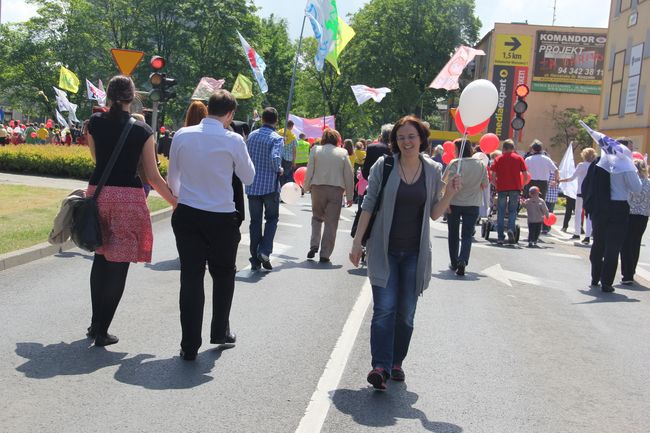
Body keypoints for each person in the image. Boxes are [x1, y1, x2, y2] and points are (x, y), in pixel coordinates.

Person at [349, 115, 461, 390]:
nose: (406, 142)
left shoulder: (433, 170)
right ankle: (380, 366)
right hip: (383, 249)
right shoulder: (384, 165)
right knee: (384, 310)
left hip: (415, 253)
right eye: (400, 137)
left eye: (411, 136)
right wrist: (357, 242)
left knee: (406, 314)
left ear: (422, 139)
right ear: (394, 142)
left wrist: (449, 195)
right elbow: (369, 204)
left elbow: (434, 214)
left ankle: (396, 361)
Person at [85, 75, 177, 347]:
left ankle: (94, 323)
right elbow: (152, 176)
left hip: (98, 195)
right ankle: (103, 330)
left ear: (109, 96)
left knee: (100, 259)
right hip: (127, 199)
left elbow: (96, 160)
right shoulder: (142, 131)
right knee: (119, 265)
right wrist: (175, 202)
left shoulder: (94, 124)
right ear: (133, 96)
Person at [168, 90, 255, 360]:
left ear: (208, 109)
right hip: (221, 217)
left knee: (191, 277)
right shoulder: (232, 140)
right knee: (223, 274)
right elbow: (248, 177)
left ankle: (189, 344)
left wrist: (188, 196)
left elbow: (173, 179)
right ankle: (220, 331)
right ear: (230, 114)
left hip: (189, 213)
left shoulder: (182, 135)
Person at [583, 141, 642, 293]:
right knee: (613, 246)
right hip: (619, 208)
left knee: (598, 243)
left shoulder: (598, 162)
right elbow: (637, 188)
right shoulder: (625, 164)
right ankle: (607, 282)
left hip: (600, 208)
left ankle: (595, 276)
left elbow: (587, 184)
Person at [303, 128, 355, 263]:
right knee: (331, 223)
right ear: (337, 140)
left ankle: (314, 244)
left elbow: (309, 170)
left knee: (316, 218)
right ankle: (325, 253)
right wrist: (350, 196)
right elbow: (348, 175)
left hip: (317, 188)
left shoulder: (315, 150)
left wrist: (306, 186)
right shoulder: (343, 153)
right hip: (336, 190)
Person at [245, 107, 283, 271]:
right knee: (272, 219)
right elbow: (275, 158)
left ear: (262, 119)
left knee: (255, 222)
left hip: (252, 185)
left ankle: (255, 257)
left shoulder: (252, 136)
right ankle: (265, 251)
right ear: (276, 121)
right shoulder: (276, 138)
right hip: (269, 186)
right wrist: (278, 169)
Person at [443, 138, 488, 276]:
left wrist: (444, 202)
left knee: (453, 234)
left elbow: (445, 182)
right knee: (467, 235)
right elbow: (485, 183)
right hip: (473, 203)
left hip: (454, 202)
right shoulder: (480, 164)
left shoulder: (455, 163)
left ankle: (454, 261)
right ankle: (463, 260)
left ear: (457, 149)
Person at [490, 139, 529, 244]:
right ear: (513, 148)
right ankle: (511, 229)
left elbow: (492, 177)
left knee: (501, 212)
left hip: (502, 188)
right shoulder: (519, 158)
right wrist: (522, 185)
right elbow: (525, 175)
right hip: (515, 188)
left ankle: (500, 237)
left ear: (503, 148)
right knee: (512, 211)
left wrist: (496, 185)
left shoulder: (498, 159)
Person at [620, 158, 650, 285]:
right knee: (636, 243)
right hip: (643, 216)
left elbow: (626, 198)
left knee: (625, 243)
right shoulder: (648, 183)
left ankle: (627, 274)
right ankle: (631, 271)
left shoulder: (631, 182)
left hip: (630, 214)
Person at [559, 147, 596, 243]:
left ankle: (577, 233)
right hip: (591, 193)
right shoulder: (595, 166)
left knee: (578, 212)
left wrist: (561, 180)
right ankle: (588, 236)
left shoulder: (581, 165)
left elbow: (572, 178)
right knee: (588, 215)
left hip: (580, 191)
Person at [277, 120, 297, 186]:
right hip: (288, 159)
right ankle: (285, 190)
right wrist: (294, 162)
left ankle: (280, 187)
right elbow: (294, 150)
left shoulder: (278, 133)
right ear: (292, 126)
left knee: (280, 175)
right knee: (287, 176)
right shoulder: (293, 137)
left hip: (279, 157)